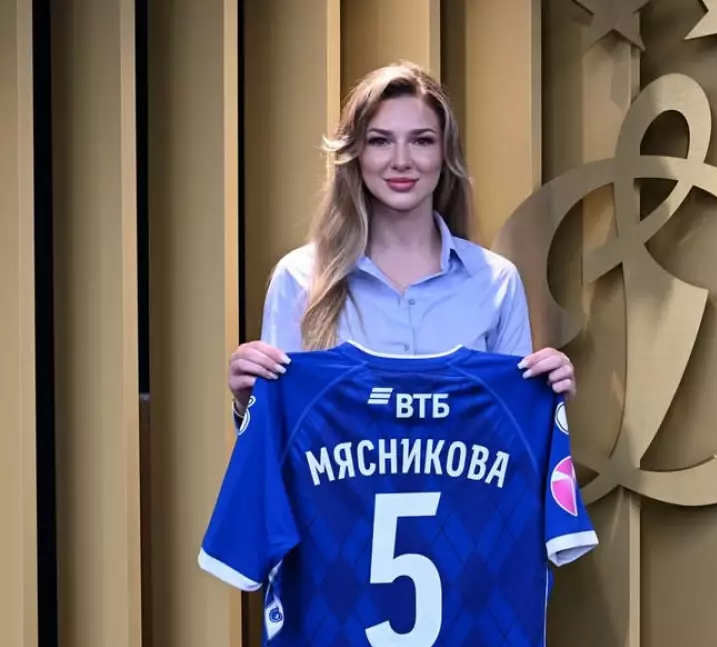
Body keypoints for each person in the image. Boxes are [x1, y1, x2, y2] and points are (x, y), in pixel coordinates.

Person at [226, 60, 574, 419]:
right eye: (380, 141)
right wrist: (246, 401)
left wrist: (548, 399)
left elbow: (514, 430)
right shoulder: (298, 277)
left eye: (422, 140)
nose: (401, 161)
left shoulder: (497, 281)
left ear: (445, 154)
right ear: (356, 155)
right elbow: (279, 429)